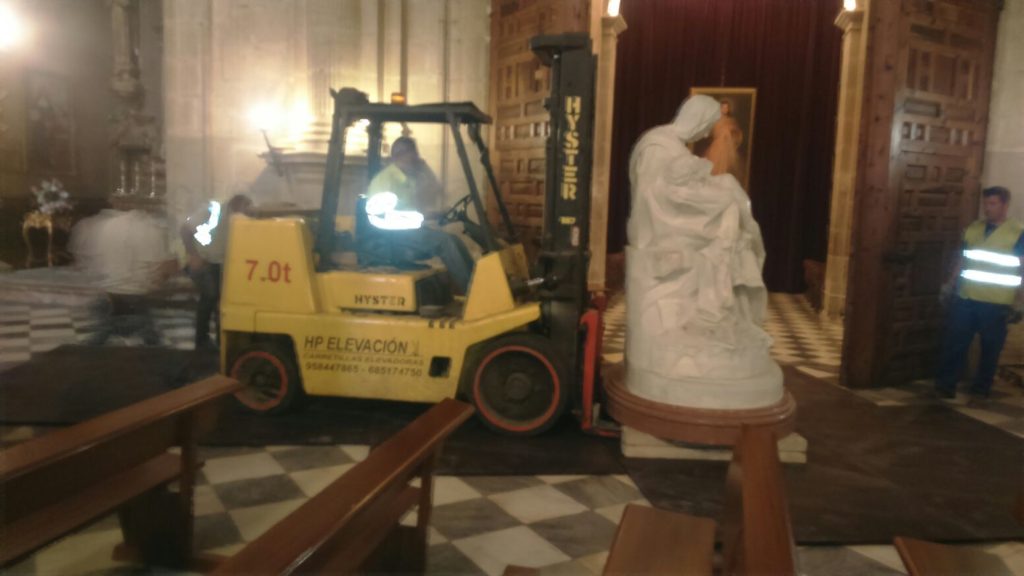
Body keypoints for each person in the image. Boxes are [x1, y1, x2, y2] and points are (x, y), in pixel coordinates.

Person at [624, 95, 782, 410]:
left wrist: (706, 190)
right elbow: (657, 197)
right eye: (706, 127)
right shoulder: (658, 145)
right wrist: (709, 197)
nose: (704, 135)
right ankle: (717, 303)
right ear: (695, 118)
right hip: (663, 227)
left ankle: (722, 302)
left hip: (679, 218)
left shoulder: (672, 147)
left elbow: (678, 187)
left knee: (730, 206)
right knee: (727, 209)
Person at [935, 186, 1024, 399]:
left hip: (996, 302)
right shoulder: (974, 228)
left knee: (990, 348)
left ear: (1004, 205)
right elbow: (962, 259)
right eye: (986, 204)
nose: (987, 209)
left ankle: (981, 388)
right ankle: (946, 385)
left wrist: (1020, 301)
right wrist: (949, 283)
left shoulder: (1017, 232)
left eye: (992, 204)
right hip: (967, 297)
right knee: (955, 342)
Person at [366, 137, 475, 294]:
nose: (417, 158)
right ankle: (471, 293)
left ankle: (476, 287)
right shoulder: (385, 181)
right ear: (400, 155)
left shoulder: (408, 179)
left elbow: (413, 207)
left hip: (406, 232)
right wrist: (427, 216)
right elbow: (383, 219)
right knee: (445, 242)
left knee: (454, 239)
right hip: (391, 236)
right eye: (413, 154)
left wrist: (433, 214)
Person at [70, 202, 178, 346]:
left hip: (111, 289)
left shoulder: (105, 226)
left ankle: (94, 347)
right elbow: (163, 265)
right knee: (144, 329)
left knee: (111, 324)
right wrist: (159, 280)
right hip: (136, 290)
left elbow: (90, 259)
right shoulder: (150, 229)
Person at [180, 194, 253, 349]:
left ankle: (222, 341)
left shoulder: (243, 217)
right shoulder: (213, 210)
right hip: (204, 261)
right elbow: (185, 229)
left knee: (224, 302)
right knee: (210, 296)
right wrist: (193, 255)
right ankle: (201, 341)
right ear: (234, 204)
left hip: (224, 264)